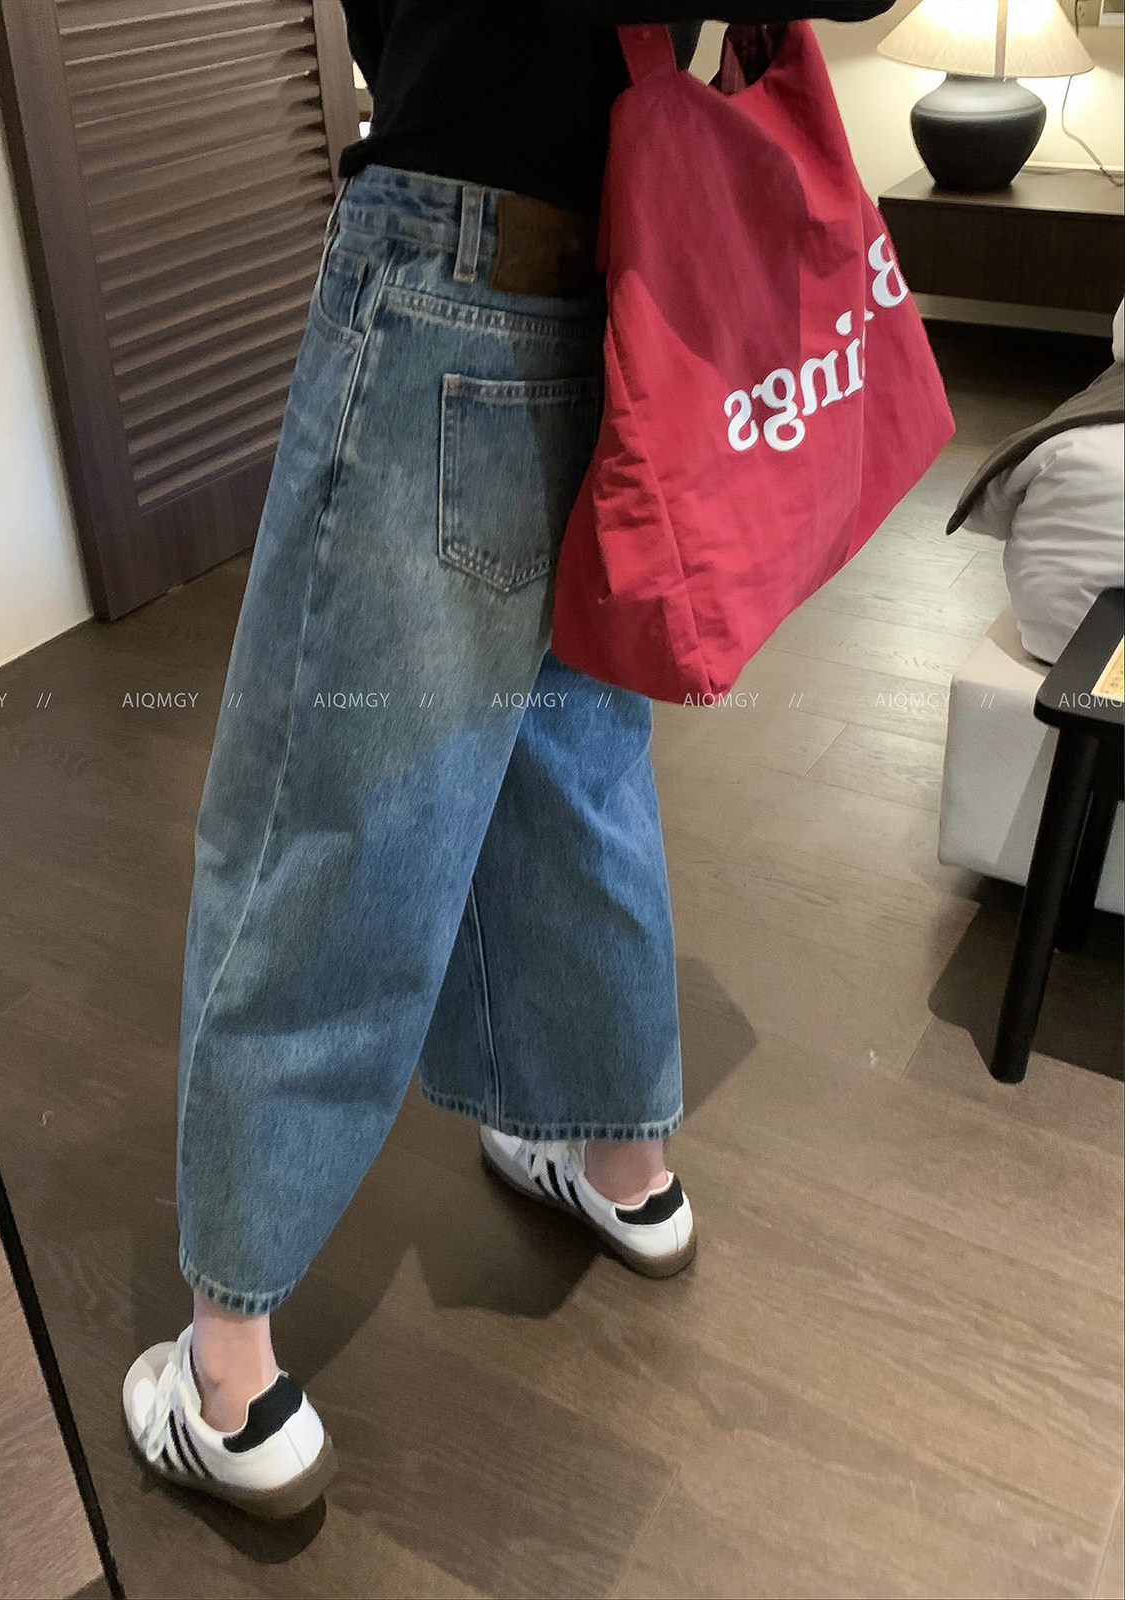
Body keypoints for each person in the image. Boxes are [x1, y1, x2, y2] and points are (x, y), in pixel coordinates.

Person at [123, 0, 895, 1519]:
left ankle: (229, 1384)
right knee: (573, 740)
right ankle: (625, 1168)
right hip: (628, 260)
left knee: (327, 796)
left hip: (448, 260)